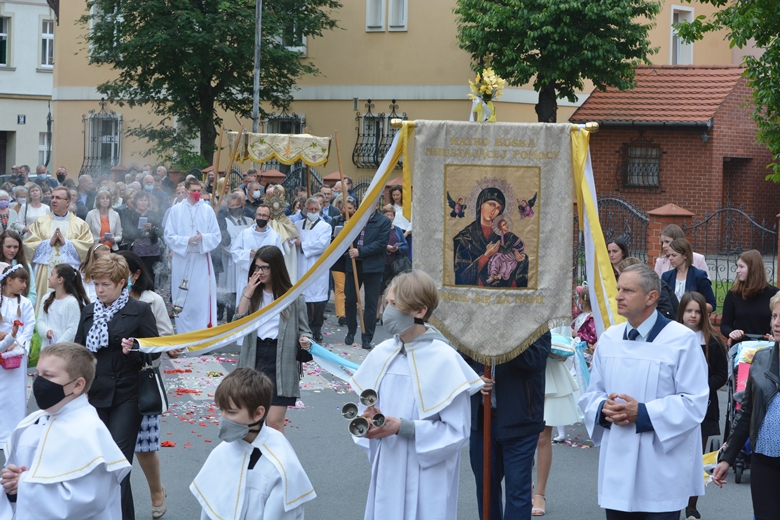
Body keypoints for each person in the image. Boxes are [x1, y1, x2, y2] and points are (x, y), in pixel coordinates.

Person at [579, 264, 709, 520]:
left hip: (661, 467)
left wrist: (642, 412)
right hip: (618, 463)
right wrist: (603, 409)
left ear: (651, 297)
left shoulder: (681, 340)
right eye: (618, 289)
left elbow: (694, 403)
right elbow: (592, 393)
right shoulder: (610, 339)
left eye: (627, 290)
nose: (618, 296)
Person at [353, 270, 483, 519]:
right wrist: (369, 419)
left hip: (426, 471)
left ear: (420, 311)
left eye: (394, 305)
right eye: (387, 302)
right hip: (389, 462)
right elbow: (368, 406)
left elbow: (457, 431)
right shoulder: (382, 353)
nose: (386, 311)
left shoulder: (445, 360)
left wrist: (405, 427)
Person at [0, 343, 131, 519]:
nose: (39, 382)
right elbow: (16, 476)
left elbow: (89, 499)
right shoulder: (30, 423)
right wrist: (10, 486)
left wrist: (23, 485)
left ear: (77, 385)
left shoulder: (89, 431)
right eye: (38, 374)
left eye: (48, 375)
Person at [74, 254, 159, 520]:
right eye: (96, 284)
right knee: (97, 464)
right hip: (93, 396)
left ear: (122, 283)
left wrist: (134, 350)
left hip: (127, 395)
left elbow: (154, 351)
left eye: (104, 285)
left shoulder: (140, 310)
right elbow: (78, 352)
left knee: (118, 465)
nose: (99, 290)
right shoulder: (89, 311)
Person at [190, 368, 315, 520]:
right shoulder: (222, 451)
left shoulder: (279, 466)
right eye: (221, 410)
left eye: (231, 412)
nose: (223, 418)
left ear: (258, 413)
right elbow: (210, 509)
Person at [118, 251, 181, 519]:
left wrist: (147, 346)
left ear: (135, 274)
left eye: (121, 272)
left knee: (144, 445)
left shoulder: (151, 300)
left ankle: (157, 491)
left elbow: (165, 336)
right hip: (113, 379)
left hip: (143, 378)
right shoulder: (108, 299)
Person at [464, 332, 551, 519]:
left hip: (521, 420)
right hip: (482, 420)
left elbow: (534, 360)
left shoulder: (536, 322)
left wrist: (504, 336)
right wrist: (476, 379)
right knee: (486, 488)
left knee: (518, 491)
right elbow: (460, 360)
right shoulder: (476, 321)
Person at [712, 291, 780, 519]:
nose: (777, 323)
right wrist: (728, 457)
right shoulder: (760, 359)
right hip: (764, 461)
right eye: (774, 316)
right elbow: (747, 412)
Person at [235, 246, 312, 433]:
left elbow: (305, 330)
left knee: (274, 422)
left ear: (276, 268)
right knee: (253, 421)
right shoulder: (253, 294)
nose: (259, 272)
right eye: (257, 267)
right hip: (255, 355)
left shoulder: (293, 297)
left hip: (281, 358)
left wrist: (305, 340)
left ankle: (277, 461)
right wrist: (248, 293)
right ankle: (255, 459)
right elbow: (237, 324)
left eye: (265, 268)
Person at [675, 291, 728, 520]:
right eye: (689, 311)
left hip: (703, 407)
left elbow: (721, 375)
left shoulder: (713, 340)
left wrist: (701, 387)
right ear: (682, 313)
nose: (693, 316)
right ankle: (669, 502)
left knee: (695, 457)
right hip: (676, 405)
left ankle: (691, 505)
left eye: (698, 312)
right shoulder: (671, 337)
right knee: (674, 457)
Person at [532, 329, 582, 517]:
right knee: (523, 436)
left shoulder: (556, 305)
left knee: (543, 437)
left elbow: (565, 342)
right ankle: (525, 485)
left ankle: (540, 494)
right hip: (521, 369)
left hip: (549, 367)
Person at [23, 186, 92, 313]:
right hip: (45, 274)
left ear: (67, 202)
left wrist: (67, 244)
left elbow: (88, 248)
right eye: (52, 197)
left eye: (58, 198)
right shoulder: (40, 222)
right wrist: (48, 243)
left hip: (70, 273)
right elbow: (27, 245)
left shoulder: (80, 224)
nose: (54, 200)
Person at [164, 178, 220, 333]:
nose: (196, 193)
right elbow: (168, 236)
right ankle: (184, 335)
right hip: (182, 258)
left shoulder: (207, 210)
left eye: (199, 190)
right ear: (187, 191)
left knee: (201, 299)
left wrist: (203, 238)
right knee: (183, 299)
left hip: (201, 259)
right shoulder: (176, 210)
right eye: (193, 190)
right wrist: (187, 240)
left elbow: (216, 235)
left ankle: (204, 337)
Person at [453, 187, 528, 287]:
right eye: (491, 204)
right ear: (481, 204)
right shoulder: (464, 237)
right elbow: (460, 277)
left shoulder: (504, 234)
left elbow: (517, 253)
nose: (494, 211)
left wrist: (518, 255)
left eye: (498, 208)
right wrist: (485, 256)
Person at [345, 203, 391, 349]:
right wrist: (347, 230)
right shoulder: (356, 219)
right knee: (350, 300)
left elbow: (381, 243)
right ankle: (351, 331)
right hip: (354, 266)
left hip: (373, 266)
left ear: (376, 205)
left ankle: (367, 337)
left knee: (370, 303)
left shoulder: (384, 221)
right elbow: (345, 240)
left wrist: (361, 252)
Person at [0, 265, 35, 449]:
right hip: (0, 351)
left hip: (16, 356)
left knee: (15, 396)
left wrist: (17, 342)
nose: (24, 285)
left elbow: (29, 327)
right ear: (9, 281)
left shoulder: (26, 303)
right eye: (21, 281)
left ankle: (14, 432)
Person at [720, 249, 779, 344]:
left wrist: (775, 336)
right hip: (741, 347)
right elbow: (725, 325)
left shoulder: (773, 294)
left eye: (741, 267)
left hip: (767, 347)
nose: (737, 270)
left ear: (753, 268)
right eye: (737, 266)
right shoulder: (734, 294)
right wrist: (732, 333)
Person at [295, 198, 332, 343]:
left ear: (320, 210)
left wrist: (302, 245)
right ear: (305, 209)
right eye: (310, 209)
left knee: (318, 300)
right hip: (301, 266)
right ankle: (305, 328)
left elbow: (321, 245)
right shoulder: (297, 225)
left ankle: (316, 328)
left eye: (315, 210)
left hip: (317, 266)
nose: (313, 212)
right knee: (303, 300)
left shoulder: (325, 227)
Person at [231, 205, 282, 308]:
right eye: (259, 215)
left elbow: (280, 258)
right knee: (245, 305)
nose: (261, 218)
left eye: (264, 215)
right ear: (255, 216)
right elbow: (234, 252)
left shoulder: (274, 236)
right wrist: (248, 253)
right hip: (247, 276)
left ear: (269, 217)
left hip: (267, 278)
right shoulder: (245, 233)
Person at [217, 193, 253, 322]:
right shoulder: (224, 223)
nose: (236, 207)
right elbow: (226, 245)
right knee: (232, 293)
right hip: (231, 263)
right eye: (233, 206)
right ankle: (232, 321)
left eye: (238, 205)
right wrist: (243, 252)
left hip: (248, 262)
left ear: (242, 206)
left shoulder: (249, 222)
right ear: (227, 208)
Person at [38, 263, 89, 345]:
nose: (48, 278)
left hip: (63, 349)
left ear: (60, 280)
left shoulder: (71, 302)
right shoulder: (46, 298)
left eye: (51, 275)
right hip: (47, 346)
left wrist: (57, 346)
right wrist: (46, 331)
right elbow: (40, 321)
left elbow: (72, 329)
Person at [661, 238, 716, 312]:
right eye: (669, 255)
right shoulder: (666, 276)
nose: (670, 258)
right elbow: (663, 303)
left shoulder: (699, 276)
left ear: (685, 256)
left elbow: (712, 305)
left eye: (674, 255)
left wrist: (694, 308)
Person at [378, 204, 409, 318]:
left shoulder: (398, 230)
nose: (390, 217)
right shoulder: (379, 229)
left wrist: (398, 249)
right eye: (387, 215)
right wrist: (385, 247)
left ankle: (387, 314)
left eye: (391, 215)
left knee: (391, 290)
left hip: (394, 265)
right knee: (379, 291)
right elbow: (376, 244)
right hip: (382, 263)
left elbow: (405, 246)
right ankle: (377, 315)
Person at [122, 190, 162, 278]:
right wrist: (143, 234)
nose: (143, 203)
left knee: (150, 275)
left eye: (145, 200)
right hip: (135, 250)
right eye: (141, 200)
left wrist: (151, 229)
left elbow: (160, 232)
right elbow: (126, 233)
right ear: (136, 201)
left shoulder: (153, 214)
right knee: (136, 274)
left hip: (152, 251)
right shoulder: (129, 214)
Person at [267, 185, 301, 284]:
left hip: (286, 256)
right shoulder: (262, 221)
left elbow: (293, 235)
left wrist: (288, 239)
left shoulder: (288, 222)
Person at [330, 195, 354, 326]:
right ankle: (341, 314)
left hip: (351, 257)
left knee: (349, 288)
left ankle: (349, 311)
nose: (346, 210)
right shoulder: (335, 220)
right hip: (338, 258)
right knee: (339, 287)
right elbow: (331, 239)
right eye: (344, 207)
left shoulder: (358, 221)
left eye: (349, 208)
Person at [0, 230, 37, 307]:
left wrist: (19, 307)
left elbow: (32, 295)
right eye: (8, 247)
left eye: (15, 247)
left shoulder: (26, 266)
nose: (12, 250)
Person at [388, 185, 412, 258]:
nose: (395, 197)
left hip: (406, 234)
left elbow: (412, 221)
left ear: (402, 195)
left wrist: (406, 234)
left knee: (406, 256)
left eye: (397, 195)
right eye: (393, 195)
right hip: (394, 233)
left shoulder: (409, 206)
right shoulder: (390, 206)